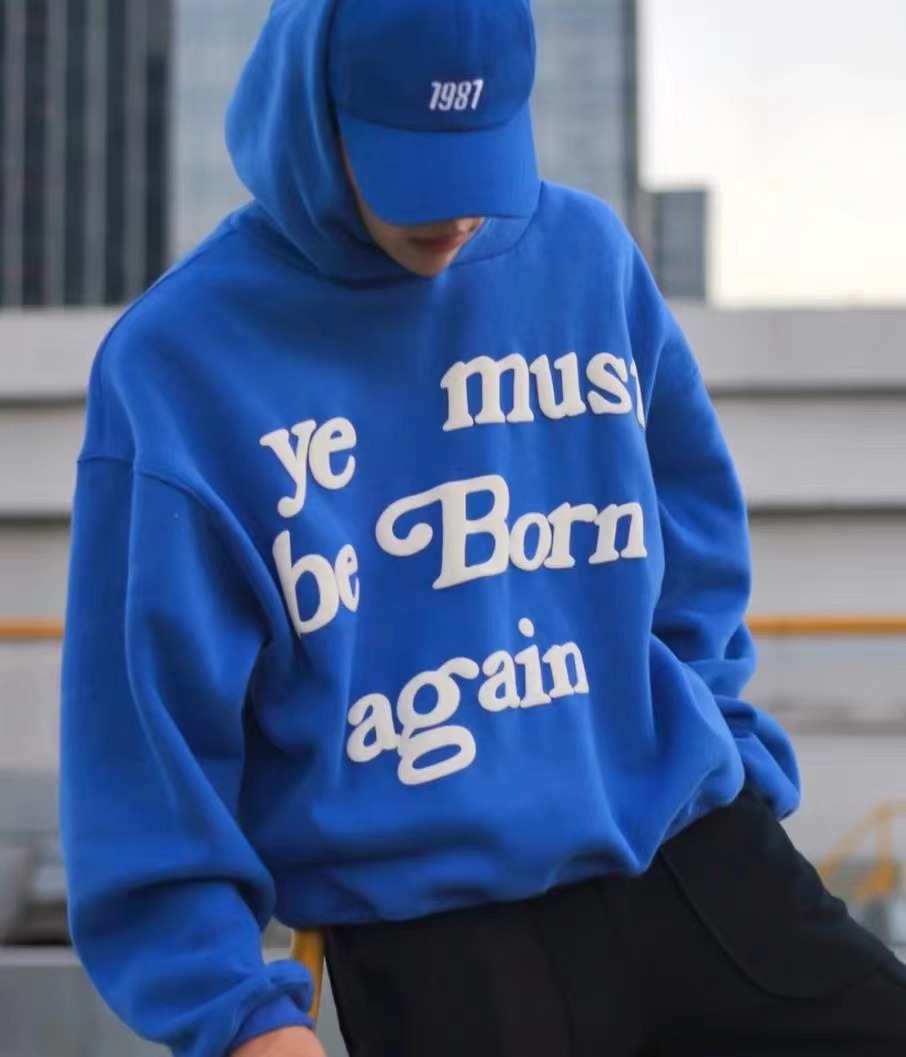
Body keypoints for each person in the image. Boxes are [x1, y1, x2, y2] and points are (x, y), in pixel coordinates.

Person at [59, 1, 906, 1055]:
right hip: (436, 933)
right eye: (413, 160)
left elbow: (694, 539)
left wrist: (719, 738)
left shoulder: (587, 258)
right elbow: (144, 742)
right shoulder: (179, 363)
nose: (459, 211)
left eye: (481, 152)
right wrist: (238, 1015)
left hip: (690, 857)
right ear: (311, 111)